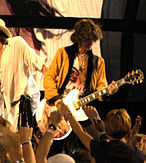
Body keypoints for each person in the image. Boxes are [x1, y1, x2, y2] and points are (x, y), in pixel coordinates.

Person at [43, 19, 118, 155]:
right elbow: (49, 77)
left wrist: (108, 92)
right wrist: (58, 102)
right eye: (87, 39)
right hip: (61, 107)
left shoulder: (98, 62)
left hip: (81, 109)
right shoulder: (63, 54)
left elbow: (100, 89)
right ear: (79, 38)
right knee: (55, 149)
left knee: (96, 146)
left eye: (93, 40)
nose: (90, 43)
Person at [60, 106, 146, 163]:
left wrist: (68, 113)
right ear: (128, 132)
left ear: (107, 131)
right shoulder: (137, 154)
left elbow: (80, 132)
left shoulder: (101, 148)